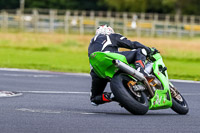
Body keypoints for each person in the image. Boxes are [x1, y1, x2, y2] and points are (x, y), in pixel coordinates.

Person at [88, 25, 156, 106]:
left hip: (97, 70)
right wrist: (149, 50)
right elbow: (132, 44)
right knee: (141, 51)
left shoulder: (91, 43)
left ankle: (113, 96)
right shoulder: (110, 36)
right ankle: (141, 71)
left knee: (94, 99)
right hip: (109, 58)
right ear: (109, 31)